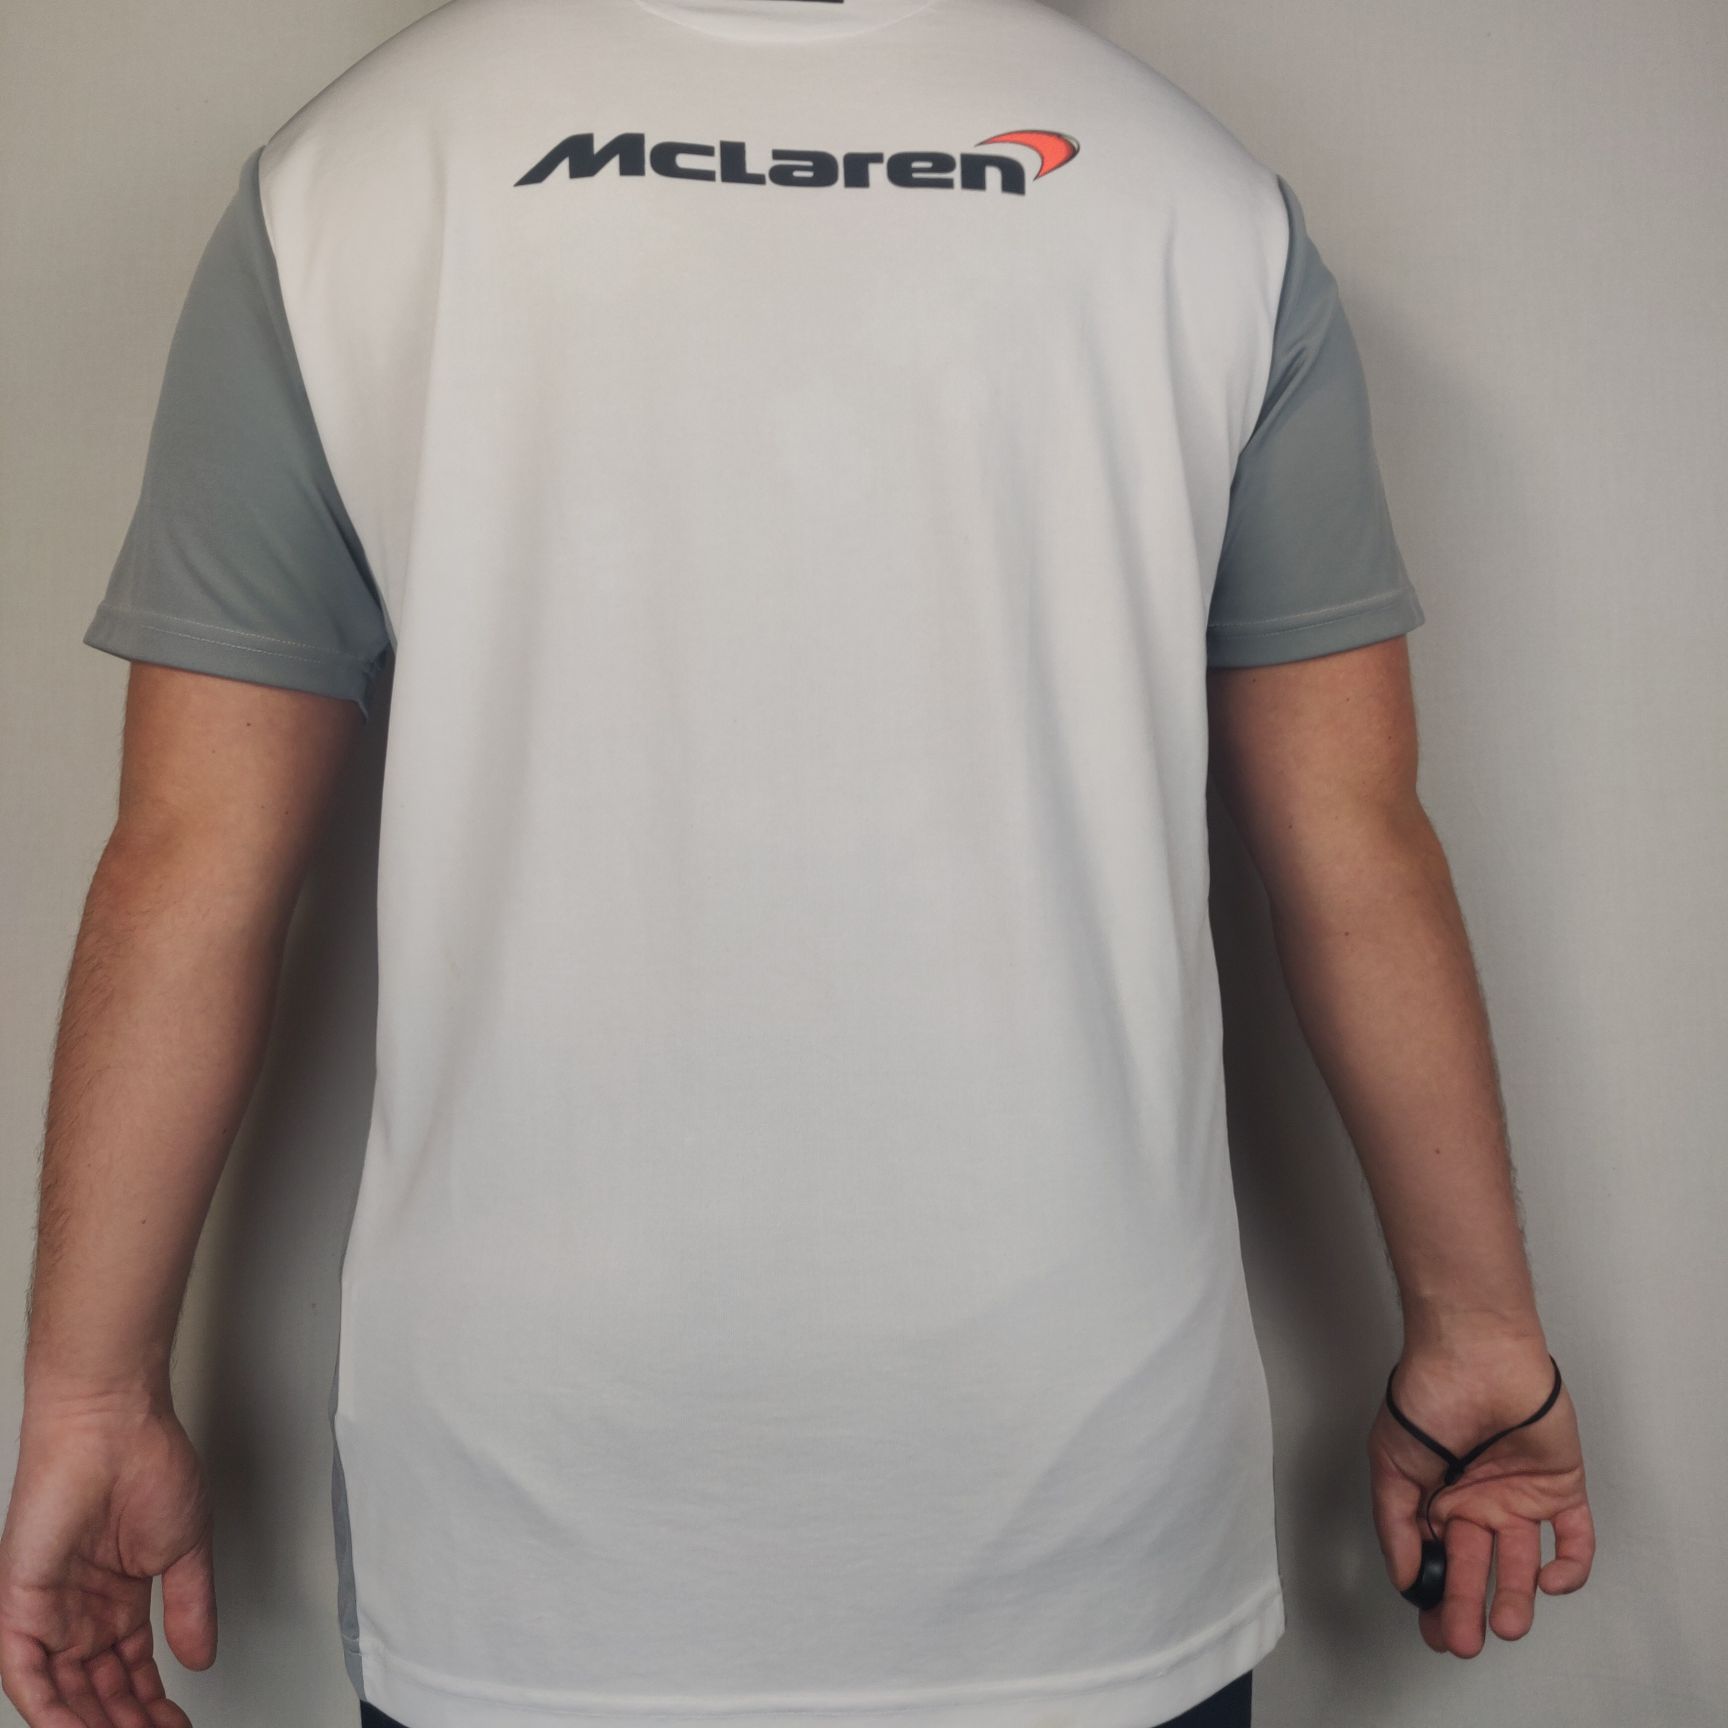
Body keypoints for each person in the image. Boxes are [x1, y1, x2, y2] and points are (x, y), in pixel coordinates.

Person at [0, 2, 1595, 1725]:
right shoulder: (1195, 199)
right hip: (1080, 1483)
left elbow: (194, 858)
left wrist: (90, 1398)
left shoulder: (356, 179)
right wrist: (1481, 1341)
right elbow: (1355, 843)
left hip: (536, 1518)